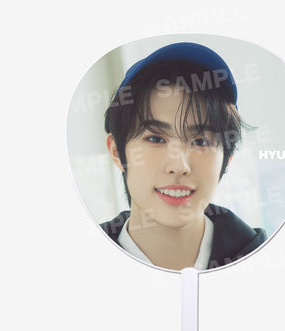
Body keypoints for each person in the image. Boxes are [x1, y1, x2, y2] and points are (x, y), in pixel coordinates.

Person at [100, 42, 266, 270]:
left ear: (227, 159)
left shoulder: (264, 268)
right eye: (155, 139)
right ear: (117, 152)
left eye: (200, 142)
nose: (179, 166)